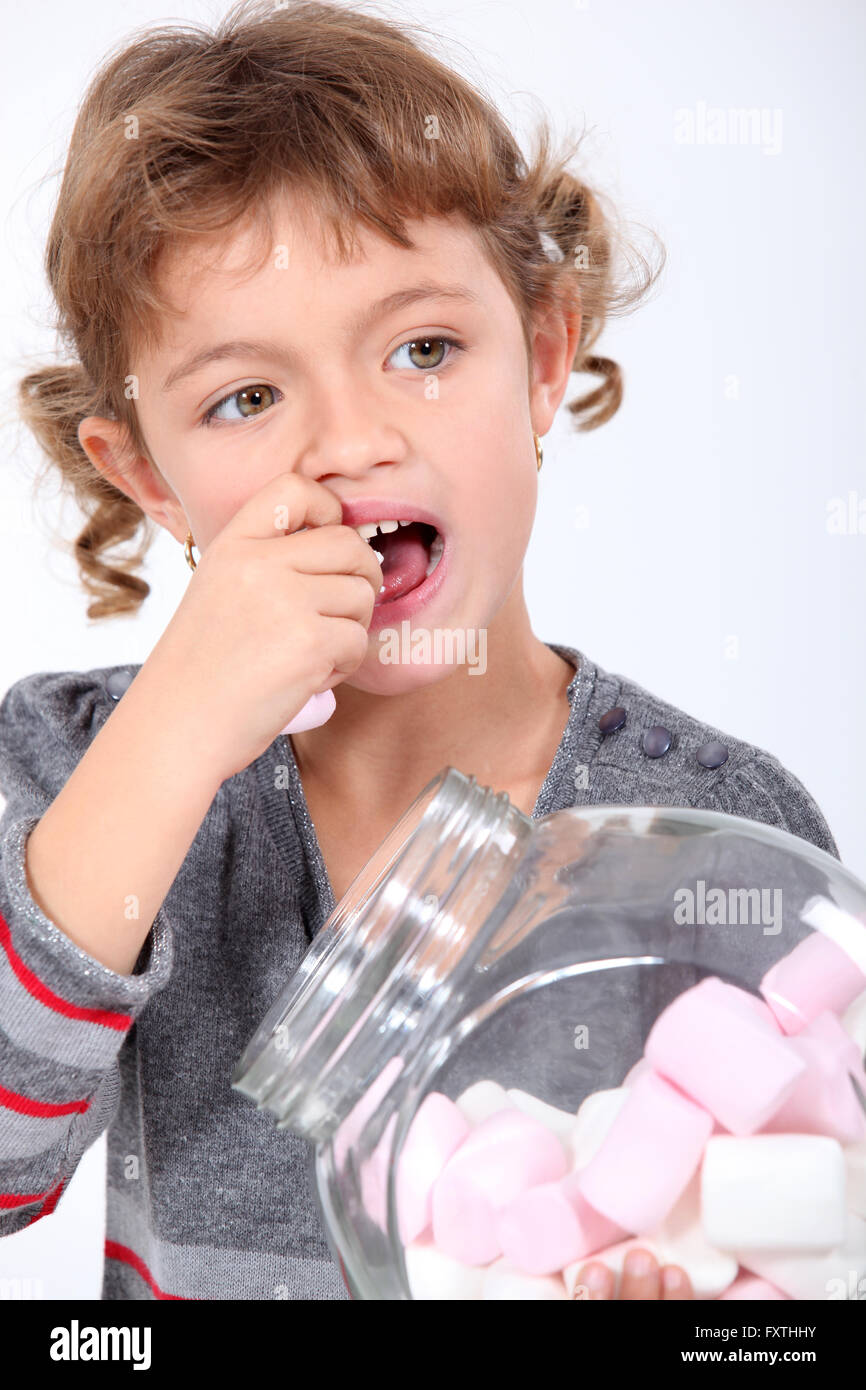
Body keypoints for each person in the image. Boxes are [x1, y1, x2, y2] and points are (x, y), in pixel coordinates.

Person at [0, 0, 836, 1301]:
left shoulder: (715, 831)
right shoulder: (71, 777)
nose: (347, 438)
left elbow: (801, 1233)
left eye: (423, 348)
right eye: (246, 396)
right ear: (147, 476)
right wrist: (167, 735)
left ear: (545, 351)